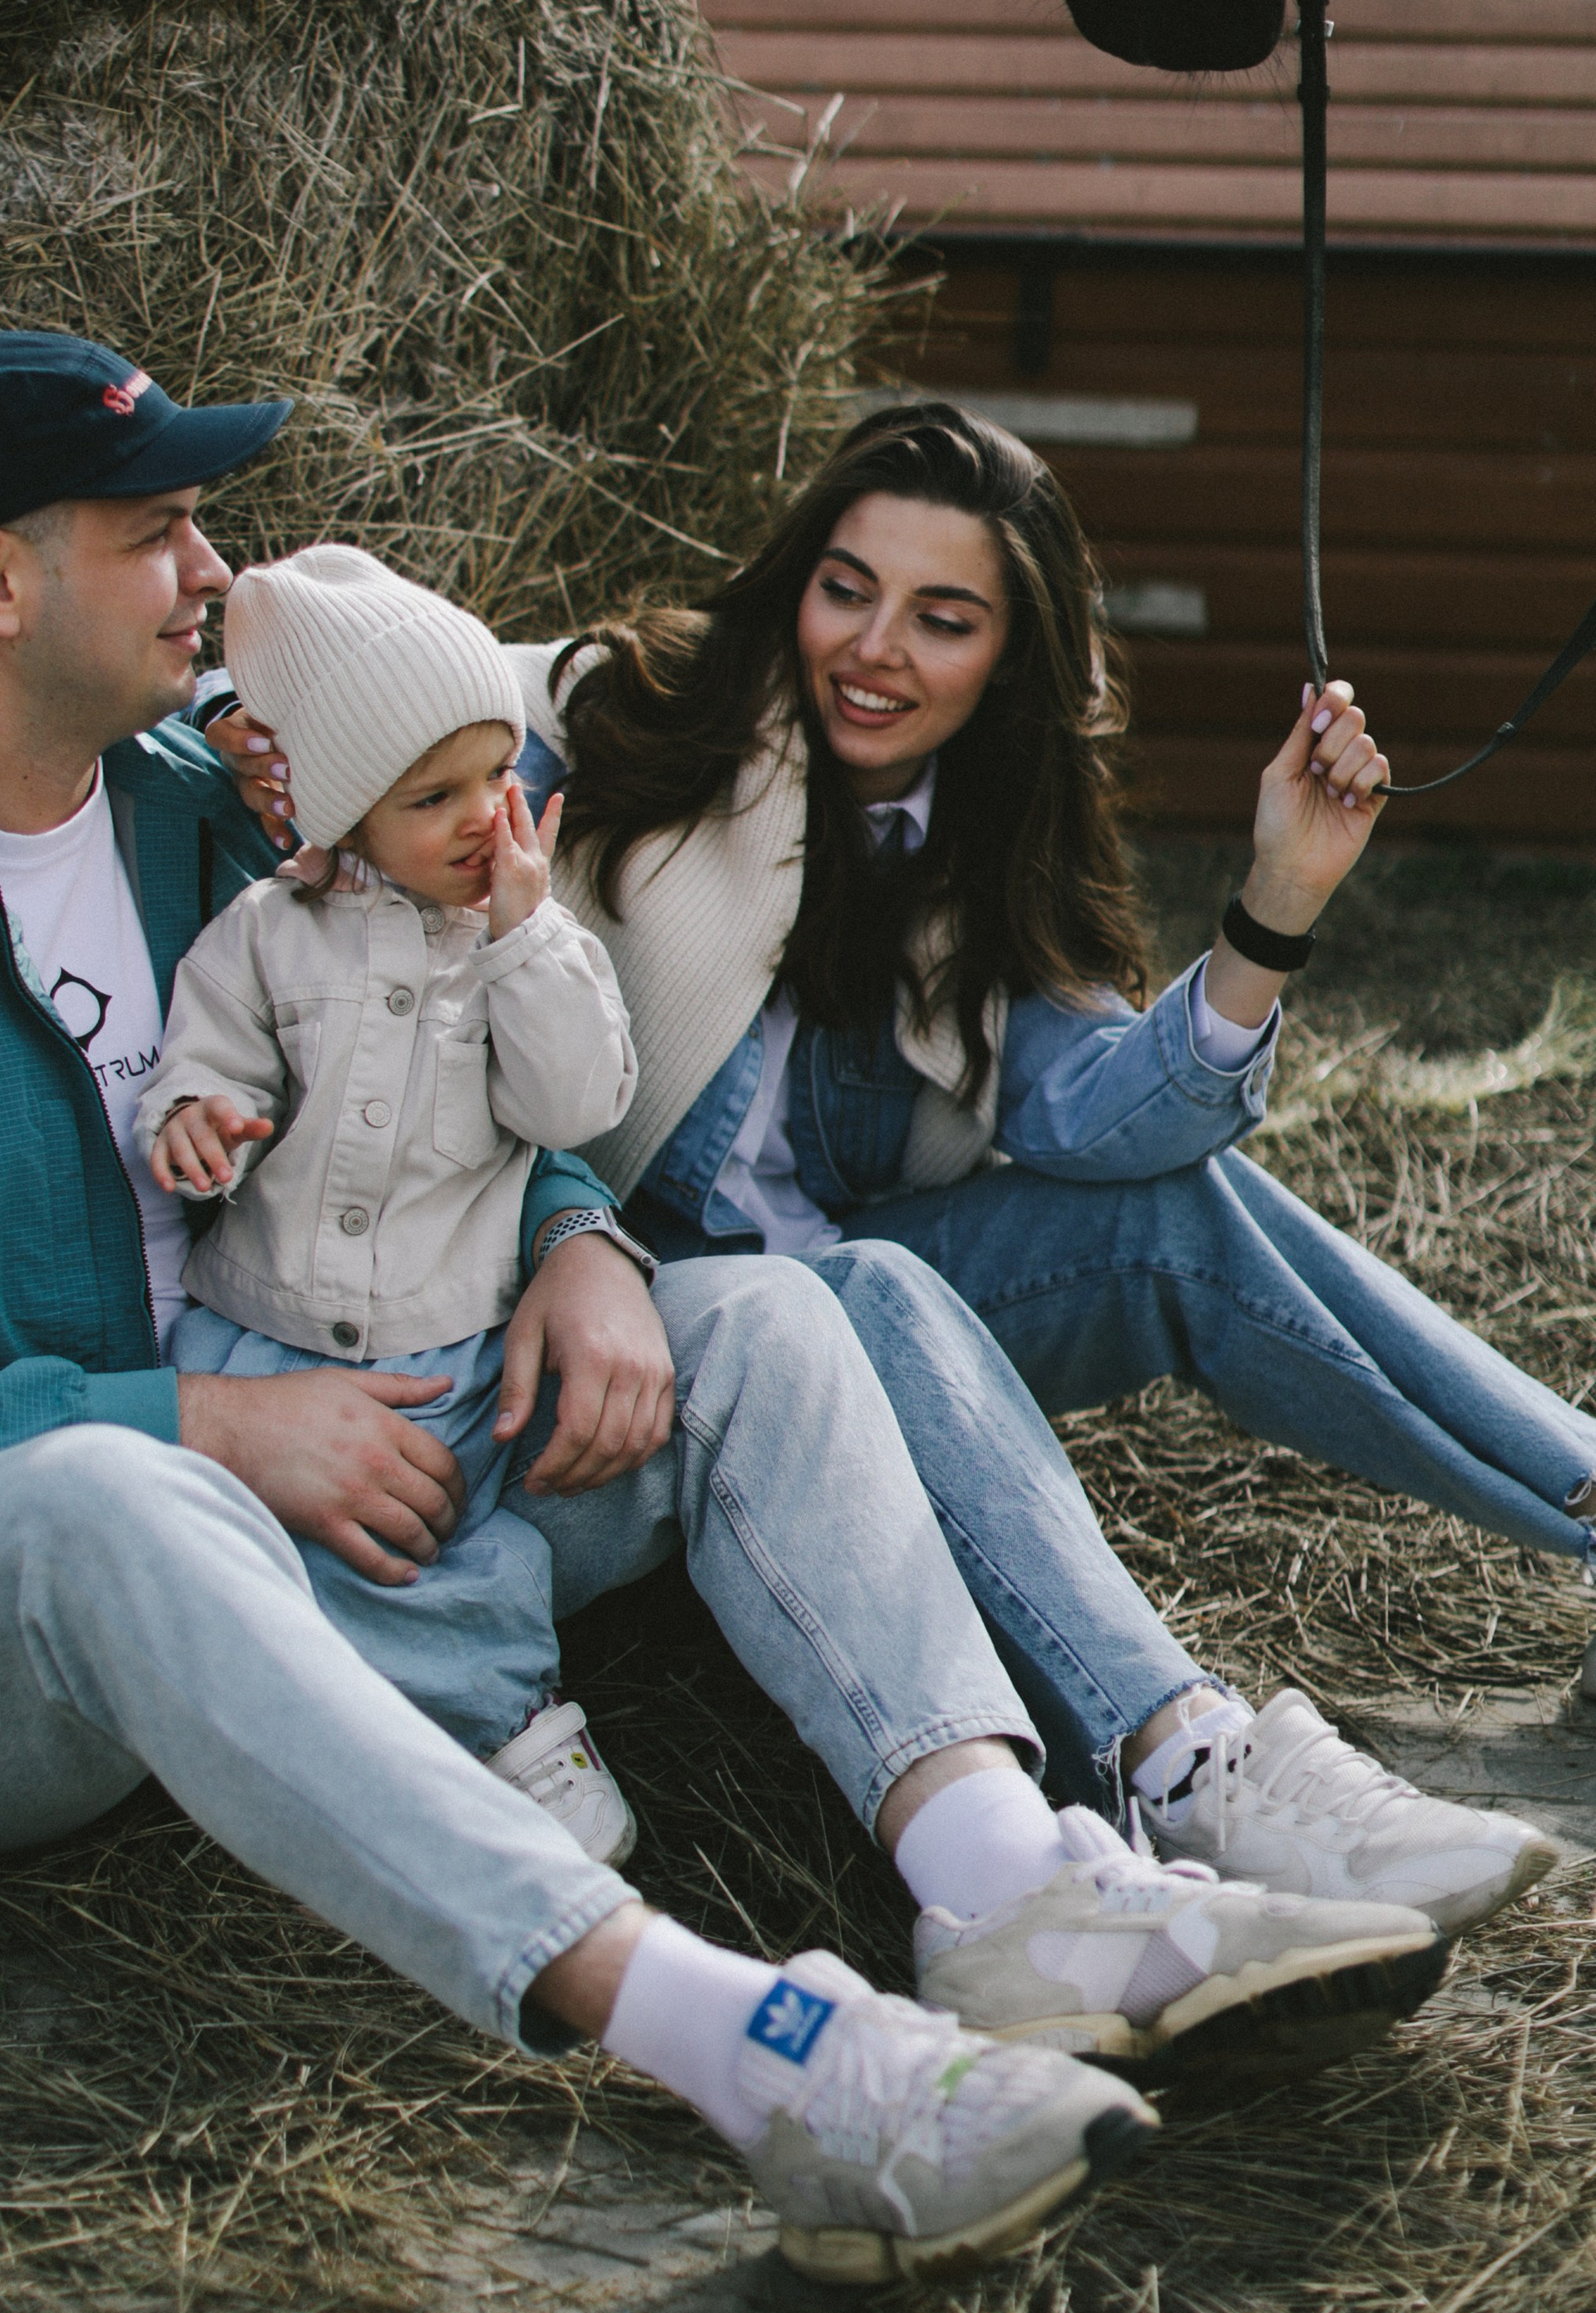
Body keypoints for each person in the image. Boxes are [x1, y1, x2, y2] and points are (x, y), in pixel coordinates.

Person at [0, 332, 1452, 2299]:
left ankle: (1007, 1885)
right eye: (160, 534)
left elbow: (462, 1046)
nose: (215, 577)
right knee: (120, 1511)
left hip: (364, 1447)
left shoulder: (209, 808)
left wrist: (578, 1236)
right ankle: (755, 2051)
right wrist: (200, 1429)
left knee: (769, 1323)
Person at [230, 393, 1561, 1932]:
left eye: (944, 618)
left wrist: (1275, 903)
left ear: (1012, 657)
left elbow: (1112, 1121)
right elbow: (367, 684)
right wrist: (242, 730)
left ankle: (1571, 1510)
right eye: (848, 588)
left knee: (1164, 1210)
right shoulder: (627, 704)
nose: (874, 649)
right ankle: (1183, 1759)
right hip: (610, 1339)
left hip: (872, 1322)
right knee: (849, 1282)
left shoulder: (990, 852)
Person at [141, 542, 642, 1859]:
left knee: (449, 1537)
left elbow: (575, 1105)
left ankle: (512, 1728)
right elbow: (209, 1051)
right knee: (257, 1549)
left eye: (499, 775)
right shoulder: (264, 928)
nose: (487, 815)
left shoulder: (530, 942)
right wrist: (200, 1119)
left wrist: (530, 942)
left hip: (446, 1337)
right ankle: (344, 1752)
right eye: (436, 796)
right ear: (346, 814)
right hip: (255, 1327)